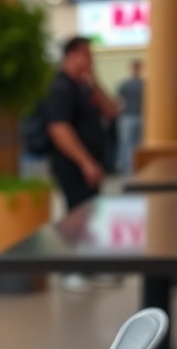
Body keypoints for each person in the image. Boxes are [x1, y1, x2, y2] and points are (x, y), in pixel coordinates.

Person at [45, 36, 120, 292]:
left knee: (90, 216)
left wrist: (95, 80)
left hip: (92, 165)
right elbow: (59, 129)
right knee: (76, 216)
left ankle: (88, 265)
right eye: (87, 55)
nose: (91, 61)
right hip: (72, 166)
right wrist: (86, 162)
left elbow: (111, 111)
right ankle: (71, 270)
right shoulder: (61, 89)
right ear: (72, 56)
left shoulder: (83, 88)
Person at [116, 60, 144, 175]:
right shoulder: (127, 84)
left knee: (134, 143)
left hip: (135, 115)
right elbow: (119, 102)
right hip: (129, 116)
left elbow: (119, 101)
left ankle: (131, 168)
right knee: (128, 143)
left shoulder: (142, 84)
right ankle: (127, 168)